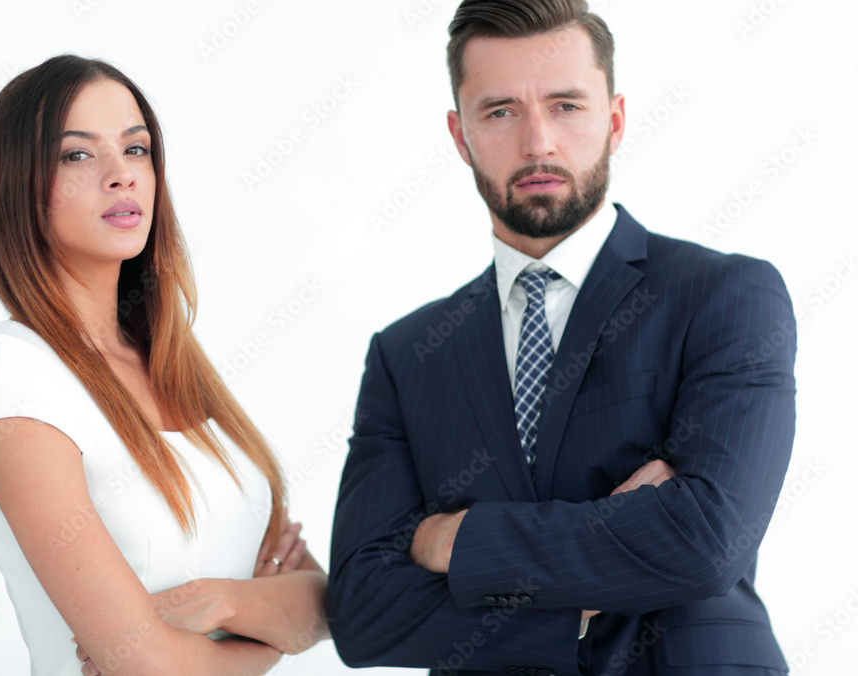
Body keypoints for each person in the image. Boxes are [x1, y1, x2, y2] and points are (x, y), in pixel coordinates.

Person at [327, 1, 795, 675]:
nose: (537, 142)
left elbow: (705, 544)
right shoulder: (408, 355)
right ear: (460, 137)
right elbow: (363, 614)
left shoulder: (724, 297)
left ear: (615, 120)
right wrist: (587, 591)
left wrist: (453, 540)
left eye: (566, 106)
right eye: (500, 112)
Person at [0, 54, 328, 676]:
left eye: (137, 149)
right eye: (78, 154)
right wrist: (269, 633)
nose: (122, 175)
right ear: (21, 185)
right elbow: (148, 667)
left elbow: (326, 601)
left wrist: (221, 601)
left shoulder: (173, 363)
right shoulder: (6, 376)